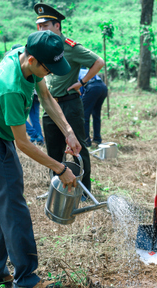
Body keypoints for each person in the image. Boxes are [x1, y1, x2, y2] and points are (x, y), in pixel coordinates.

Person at [0, 30, 80, 288]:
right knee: (15, 209)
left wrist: (68, 131)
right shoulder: (11, 87)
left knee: (2, 205)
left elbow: (45, 97)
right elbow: (23, 143)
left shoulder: (26, 58)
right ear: (31, 60)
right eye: (49, 68)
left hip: (0, 139)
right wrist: (60, 168)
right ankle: (26, 281)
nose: (51, 73)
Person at [34, 3, 105, 196]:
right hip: (49, 105)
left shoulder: (70, 47)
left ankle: (84, 191)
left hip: (69, 103)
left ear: (57, 26)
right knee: (53, 150)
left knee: (78, 147)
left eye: (46, 25)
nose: (41, 29)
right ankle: (56, 189)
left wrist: (81, 82)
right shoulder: (41, 48)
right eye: (39, 26)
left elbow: (99, 62)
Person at [79, 68, 107, 147]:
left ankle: (86, 141)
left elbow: (80, 90)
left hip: (92, 87)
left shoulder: (75, 72)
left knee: (84, 115)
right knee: (96, 114)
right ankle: (97, 138)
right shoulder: (85, 70)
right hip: (103, 86)